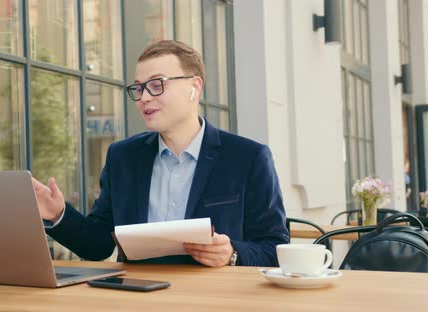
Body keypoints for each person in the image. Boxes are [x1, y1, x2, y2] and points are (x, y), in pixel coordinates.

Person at [32, 40, 289, 267]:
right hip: (138, 298)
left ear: (194, 87)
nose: (143, 97)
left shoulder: (248, 158)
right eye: (139, 88)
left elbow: (274, 248)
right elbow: (98, 245)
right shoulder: (122, 157)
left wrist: (232, 253)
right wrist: (58, 214)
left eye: (156, 85)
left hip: (214, 301)